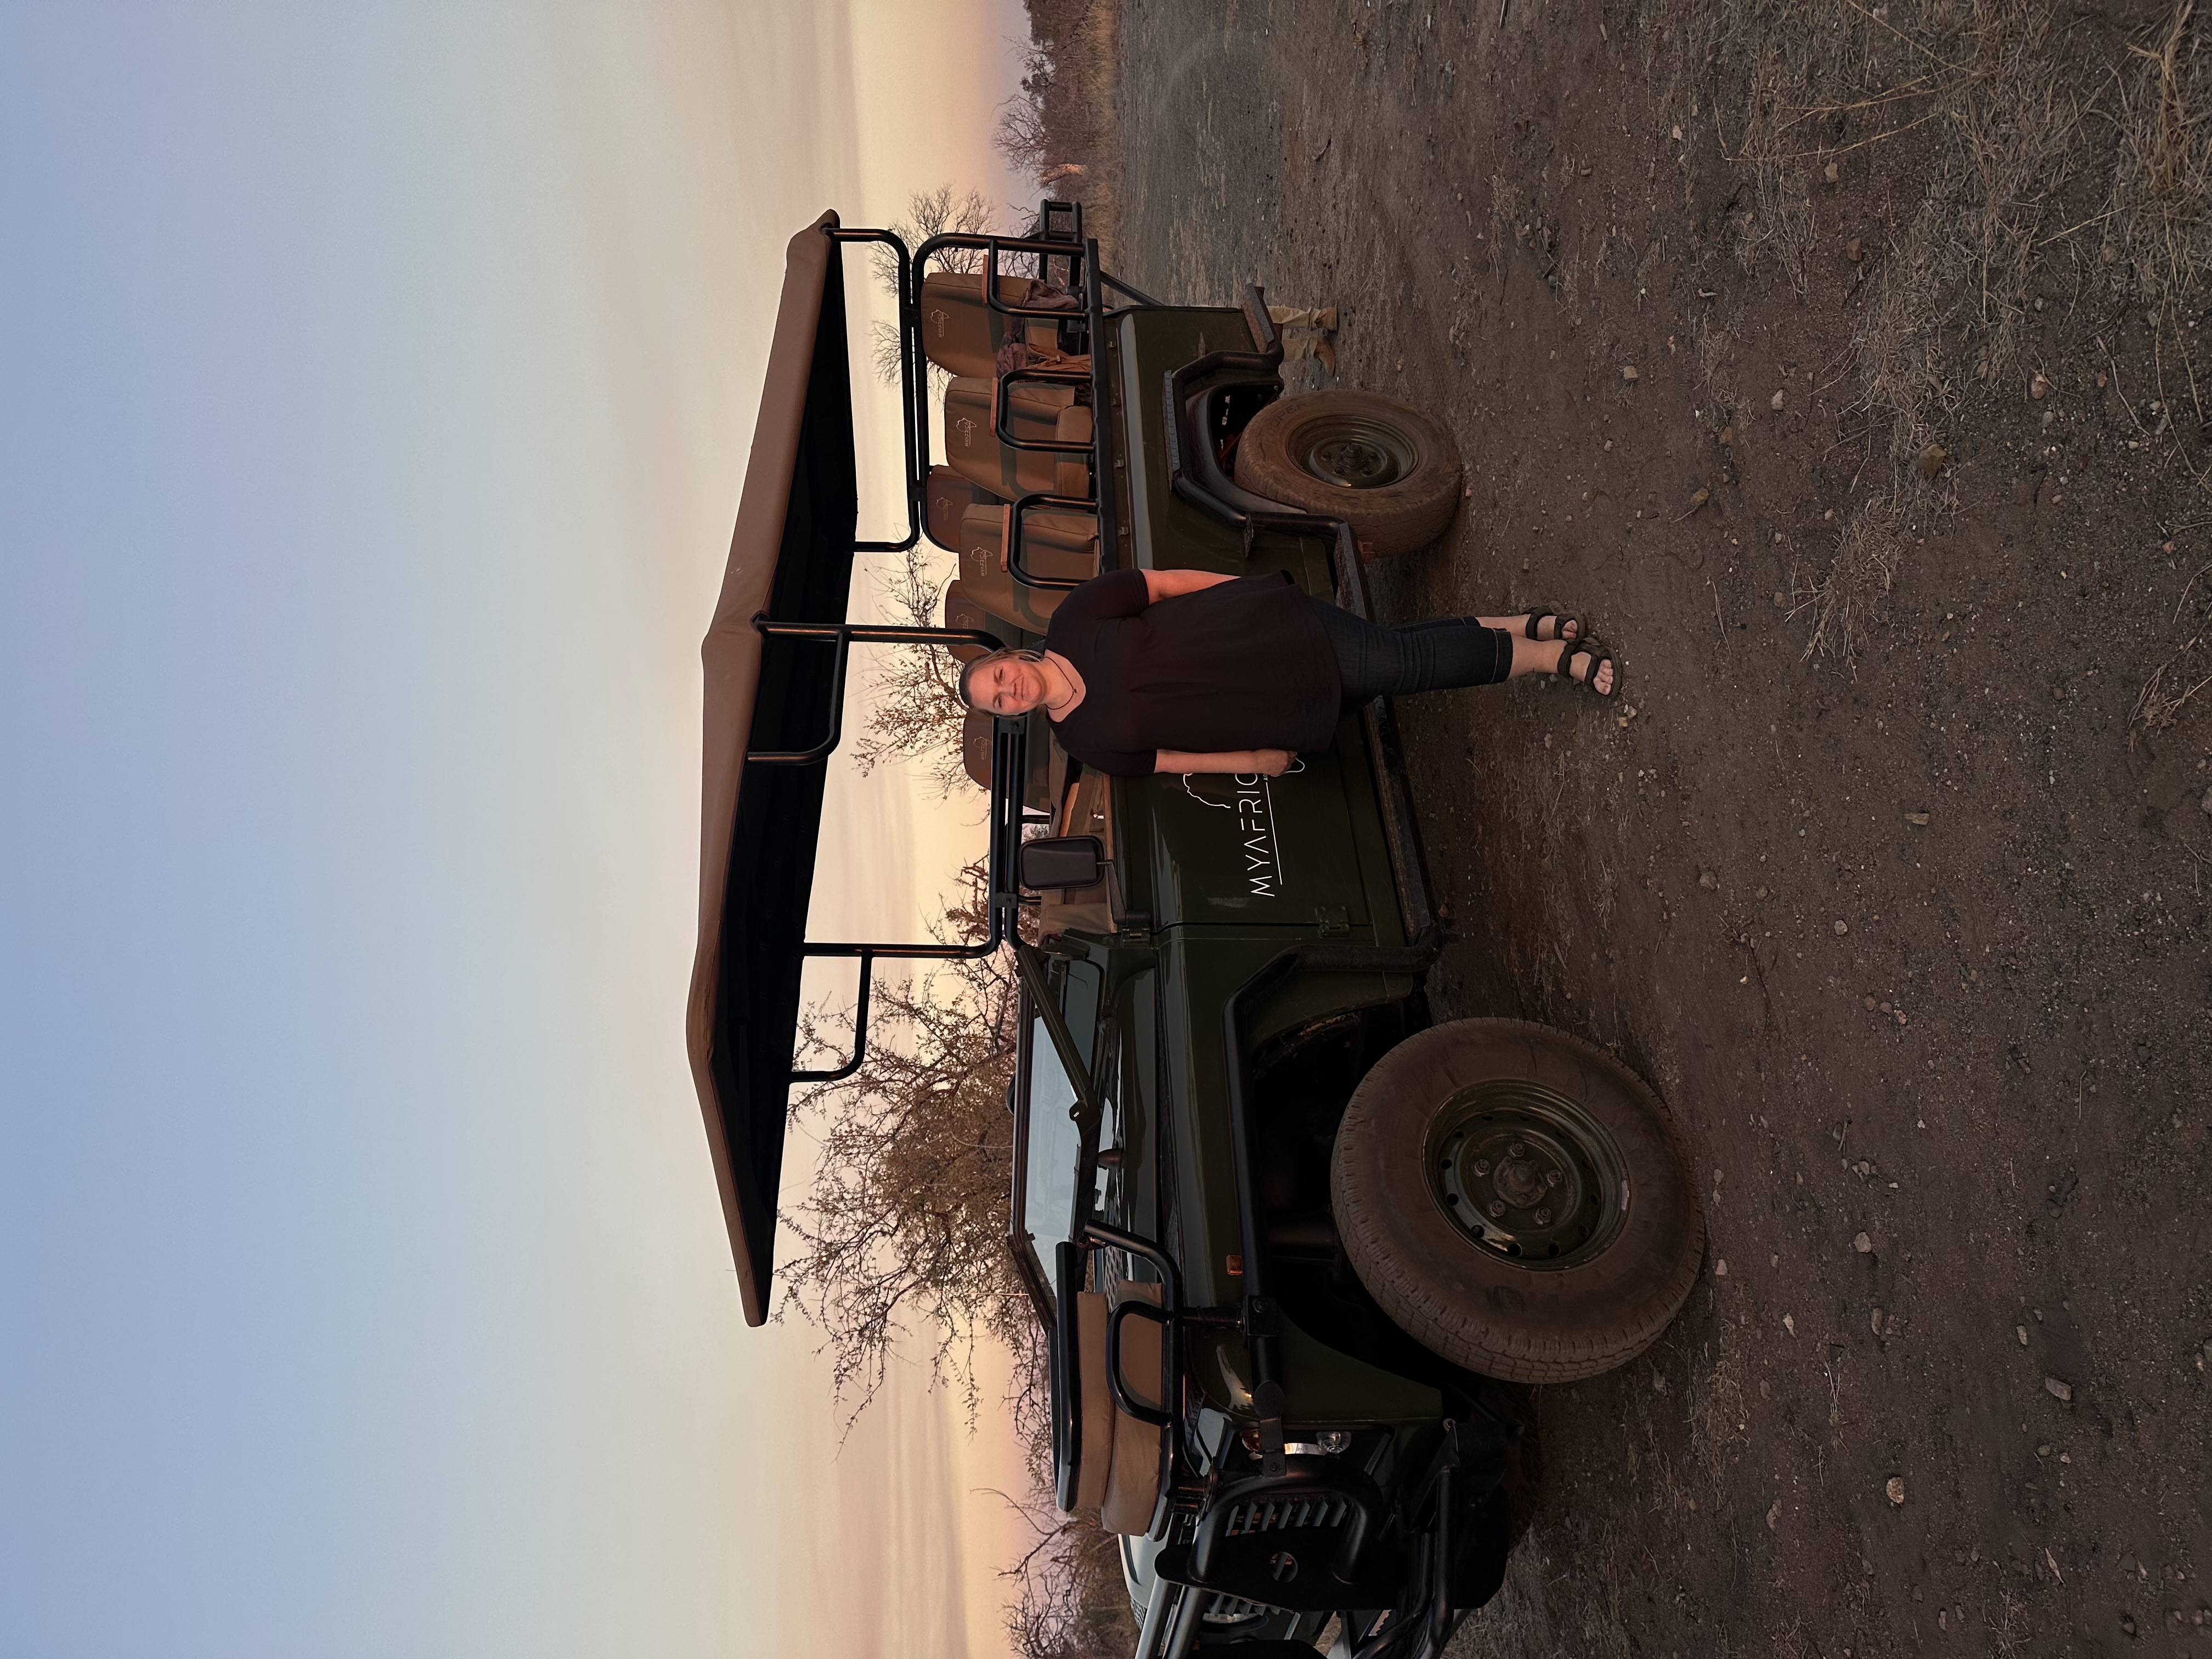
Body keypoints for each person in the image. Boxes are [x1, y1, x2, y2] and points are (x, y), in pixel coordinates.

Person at [955, 566, 1615, 778]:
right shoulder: (1082, 742)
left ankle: (1546, 659)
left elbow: (1162, 585)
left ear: (1011, 658)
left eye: (1000, 677)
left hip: (1264, 631)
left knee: (1398, 665)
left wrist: (1245, 590)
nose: (1011, 691)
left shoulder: (1076, 618)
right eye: (1001, 703)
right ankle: (1514, 625)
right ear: (1011, 717)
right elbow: (1169, 761)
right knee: (1388, 658)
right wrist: (1251, 759)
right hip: (1270, 710)